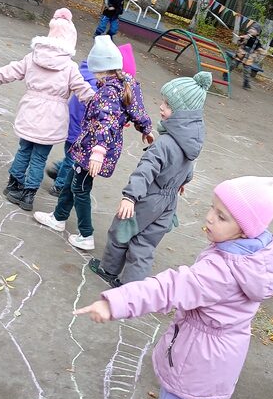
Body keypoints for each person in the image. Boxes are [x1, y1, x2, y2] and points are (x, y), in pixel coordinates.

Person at [75, 176, 273, 399]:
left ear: (244, 229)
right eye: (213, 209)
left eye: (222, 216)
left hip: (197, 354)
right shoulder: (257, 257)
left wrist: (116, 303)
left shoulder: (221, 271)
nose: (209, 217)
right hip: (224, 356)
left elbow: (170, 288)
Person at [89, 71, 210, 288]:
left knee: (121, 231)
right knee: (144, 244)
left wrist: (130, 197)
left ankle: (108, 269)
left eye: (168, 105)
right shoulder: (190, 142)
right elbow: (188, 169)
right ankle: (132, 287)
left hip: (148, 199)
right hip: (169, 203)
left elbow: (146, 171)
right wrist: (181, 183)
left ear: (182, 114)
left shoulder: (164, 144)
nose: (161, 107)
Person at [33, 36, 153, 251]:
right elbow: (138, 110)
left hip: (94, 150)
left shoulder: (107, 92)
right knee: (72, 179)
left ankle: (86, 234)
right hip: (93, 148)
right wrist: (146, 128)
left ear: (102, 68)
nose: (94, 76)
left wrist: (97, 152)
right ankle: (58, 217)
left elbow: (105, 122)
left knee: (80, 188)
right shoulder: (127, 82)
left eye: (96, 72)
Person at [0, 8, 94, 212]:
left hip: (30, 112)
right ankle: (28, 194)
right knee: (39, 157)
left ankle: (13, 185)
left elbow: (12, 70)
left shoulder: (33, 57)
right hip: (52, 119)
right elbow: (83, 90)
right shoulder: (69, 67)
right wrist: (100, 106)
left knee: (24, 149)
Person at [45, 44, 137, 197]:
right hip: (80, 127)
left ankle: (59, 168)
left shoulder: (94, 75)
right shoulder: (102, 88)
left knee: (72, 156)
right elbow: (105, 112)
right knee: (73, 157)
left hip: (75, 123)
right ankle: (60, 185)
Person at [231, 24, 268, 90]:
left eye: (254, 29)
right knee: (233, 65)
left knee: (247, 71)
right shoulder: (245, 37)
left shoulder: (257, 41)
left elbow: (259, 48)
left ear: (258, 33)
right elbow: (239, 42)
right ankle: (226, 73)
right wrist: (240, 39)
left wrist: (263, 51)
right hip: (241, 54)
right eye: (251, 28)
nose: (251, 30)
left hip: (248, 58)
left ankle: (246, 83)